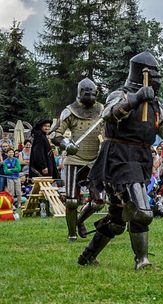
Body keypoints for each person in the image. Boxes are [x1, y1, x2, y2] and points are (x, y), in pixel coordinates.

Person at [78, 51, 163, 270]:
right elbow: (108, 114)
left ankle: (87, 256)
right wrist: (136, 98)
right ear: (143, 74)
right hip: (120, 157)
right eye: (155, 75)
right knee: (143, 212)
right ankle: (142, 260)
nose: (158, 80)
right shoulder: (119, 94)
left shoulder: (155, 104)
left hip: (141, 157)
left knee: (117, 221)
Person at [52, 78, 105, 241]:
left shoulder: (102, 110)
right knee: (72, 201)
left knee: (99, 201)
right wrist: (66, 144)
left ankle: (80, 220)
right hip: (74, 159)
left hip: (95, 161)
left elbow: (108, 130)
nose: (90, 95)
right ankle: (71, 234)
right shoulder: (70, 111)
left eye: (92, 92)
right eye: (86, 92)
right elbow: (55, 134)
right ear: (80, 93)